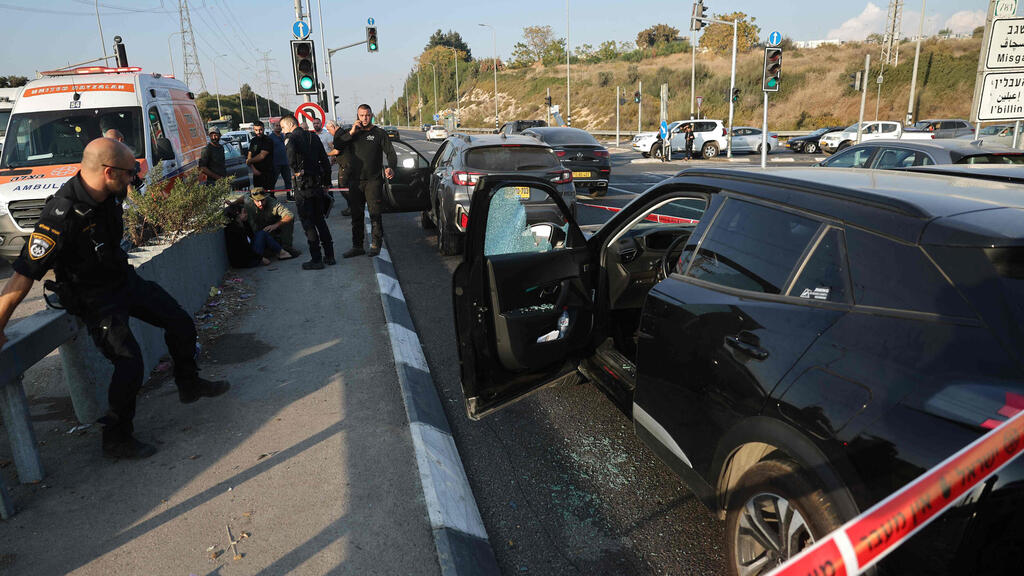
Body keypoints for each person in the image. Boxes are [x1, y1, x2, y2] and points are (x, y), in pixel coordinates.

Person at [0, 138, 229, 460]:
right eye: (129, 172)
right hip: (93, 297)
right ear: (108, 172)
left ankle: (188, 383)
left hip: (123, 281)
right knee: (129, 362)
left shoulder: (108, 195)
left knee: (178, 321)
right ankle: (116, 438)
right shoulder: (60, 215)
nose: (133, 178)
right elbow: (24, 273)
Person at [335, 104, 396, 258]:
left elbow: (391, 153)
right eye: (361, 115)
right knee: (356, 215)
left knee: (375, 214)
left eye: (367, 115)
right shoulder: (352, 132)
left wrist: (391, 167)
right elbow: (338, 145)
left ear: (371, 115)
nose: (364, 118)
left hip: (373, 180)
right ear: (357, 116)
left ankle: (376, 244)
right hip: (355, 181)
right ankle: (357, 246)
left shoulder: (379, 133)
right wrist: (351, 132)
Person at [281, 115, 334, 269]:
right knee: (320, 221)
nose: (283, 131)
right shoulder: (313, 137)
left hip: (302, 188)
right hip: (316, 185)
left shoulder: (291, 139)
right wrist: (326, 182)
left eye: (283, 128)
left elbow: (290, 158)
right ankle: (329, 256)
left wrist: (296, 170)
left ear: (290, 125)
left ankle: (316, 259)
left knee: (308, 224)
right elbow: (325, 161)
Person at [245, 188, 300, 259]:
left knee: (287, 220)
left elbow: (290, 215)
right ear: (253, 200)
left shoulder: (273, 203)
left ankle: (286, 247)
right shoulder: (248, 201)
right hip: (256, 230)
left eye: (262, 200)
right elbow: (244, 197)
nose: (260, 203)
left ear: (266, 198)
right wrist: (233, 203)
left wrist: (276, 225)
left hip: (270, 228)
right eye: (257, 201)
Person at [223, 204, 282, 268]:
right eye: (244, 212)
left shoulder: (244, 223)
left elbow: (252, 238)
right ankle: (281, 252)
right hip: (246, 262)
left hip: (251, 255)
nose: (246, 214)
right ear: (238, 215)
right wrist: (261, 258)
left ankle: (280, 251)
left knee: (261, 233)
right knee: (262, 234)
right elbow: (244, 250)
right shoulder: (233, 230)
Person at [326, 121, 352, 217]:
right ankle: (351, 207)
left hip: (346, 165)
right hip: (346, 164)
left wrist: (326, 154)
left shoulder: (338, 135)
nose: (328, 132)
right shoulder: (341, 133)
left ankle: (353, 207)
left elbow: (337, 151)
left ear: (333, 126)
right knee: (346, 187)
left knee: (343, 187)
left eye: (329, 129)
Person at [246, 120, 275, 190]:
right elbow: (250, 154)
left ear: (264, 129)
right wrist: (254, 169)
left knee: (269, 195)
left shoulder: (268, 140)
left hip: (268, 172)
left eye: (260, 130)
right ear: (254, 130)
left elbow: (262, 156)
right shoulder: (253, 140)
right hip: (256, 173)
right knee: (257, 195)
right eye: (256, 130)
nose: (258, 132)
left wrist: (249, 161)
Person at [270, 122, 292, 199]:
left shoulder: (284, 136)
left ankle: (290, 195)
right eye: (277, 126)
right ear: (273, 127)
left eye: (280, 126)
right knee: (273, 180)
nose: (278, 127)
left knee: (288, 180)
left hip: (285, 162)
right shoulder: (270, 137)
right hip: (275, 163)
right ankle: (271, 195)